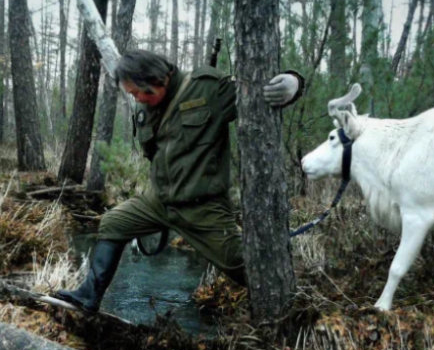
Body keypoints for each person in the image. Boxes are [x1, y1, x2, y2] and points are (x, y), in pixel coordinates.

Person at [54, 49, 304, 312]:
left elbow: (259, 91)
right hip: (159, 201)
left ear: (159, 77)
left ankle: (287, 306)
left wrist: (292, 82)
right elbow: (154, 155)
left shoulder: (207, 89)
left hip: (202, 207)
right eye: (132, 94)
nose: (138, 98)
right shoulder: (145, 109)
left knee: (241, 265)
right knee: (114, 221)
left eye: (141, 92)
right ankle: (88, 295)